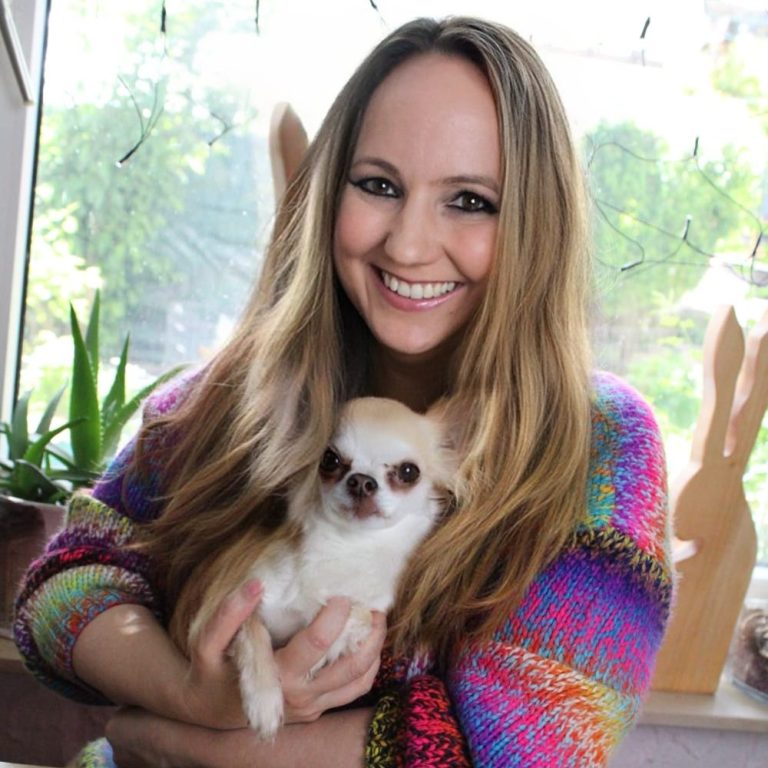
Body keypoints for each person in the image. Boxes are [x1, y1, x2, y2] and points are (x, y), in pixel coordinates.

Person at [13, 16, 673, 767]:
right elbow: (65, 585)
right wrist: (189, 694)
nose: (408, 245)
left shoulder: (601, 443)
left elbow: (532, 749)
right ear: (330, 193)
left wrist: (180, 743)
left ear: (537, 225)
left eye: (470, 200)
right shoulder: (235, 392)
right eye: (378, 186)